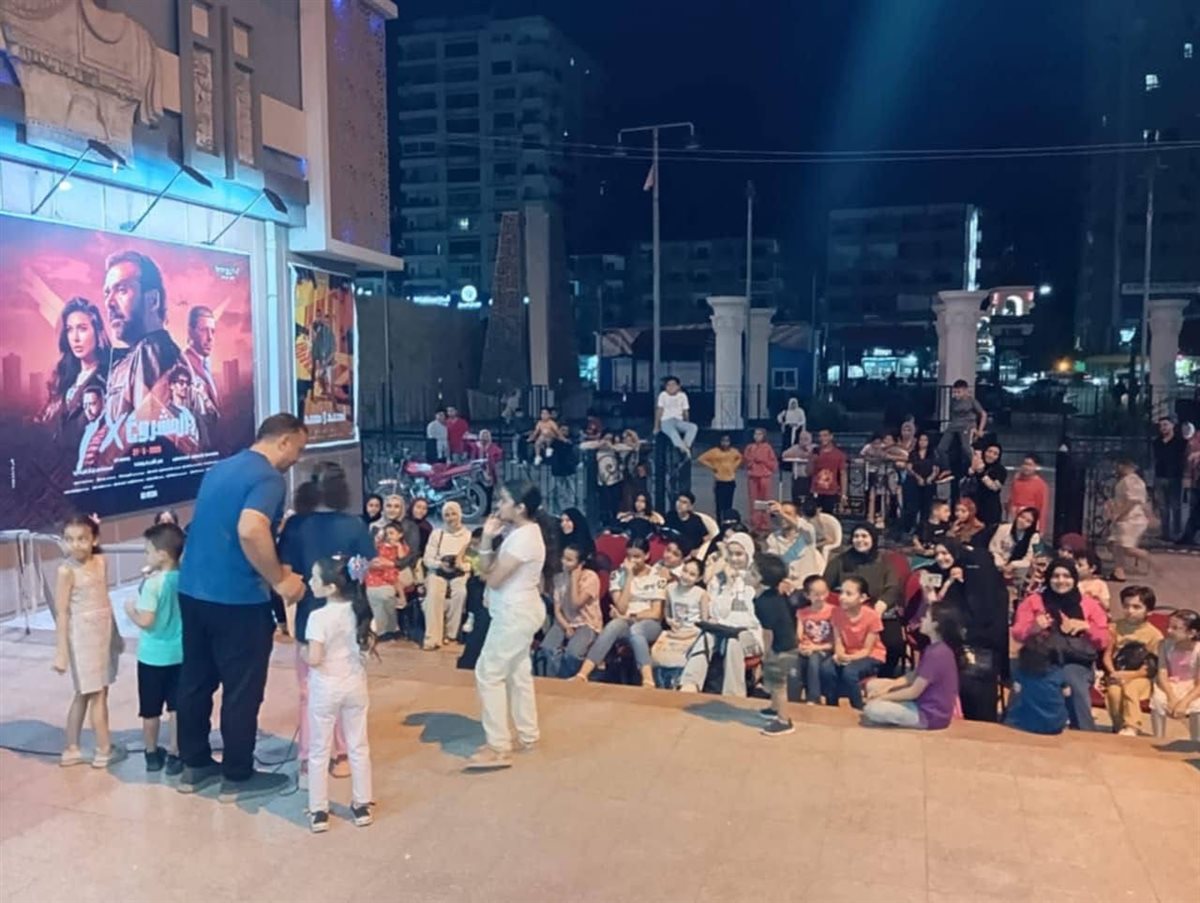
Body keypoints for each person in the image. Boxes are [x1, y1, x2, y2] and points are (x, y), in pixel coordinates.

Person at [176, 413, 308, 800]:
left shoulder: (219, 468)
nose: (297, 459)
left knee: (196, 681)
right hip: (237, 599)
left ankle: (194, 765)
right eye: (298, 449)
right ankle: (237, 776)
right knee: (242, 688)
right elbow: (251, 529)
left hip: (193, 591)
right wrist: (279, 579)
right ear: (284, 441)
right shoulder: (268, 478)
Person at [277, 462, 375, 787]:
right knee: (347, 685)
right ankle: (344, 753)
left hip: (309, 614)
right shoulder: (354, 524)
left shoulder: (295, 526)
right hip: (348, 615)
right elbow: (364, 571)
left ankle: (309, 757)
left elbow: (285, 572)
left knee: (309, 691)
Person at [467, 481, 554, 771]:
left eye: (504, 500)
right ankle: (528, 735)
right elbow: (487, 569)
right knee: (518, 674)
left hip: (515, 614)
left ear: (520, 508)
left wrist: (487, 541)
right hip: (516, 611)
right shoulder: (519, 532)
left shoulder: (524, 538)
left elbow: (492, 578)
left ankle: (498, 746)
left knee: (488, 673)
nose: (498, 505)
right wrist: (488, 540)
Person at [302, 555, 375, 833]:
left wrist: (304, 652)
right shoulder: (361, 611)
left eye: (315, 578)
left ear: (331, 587)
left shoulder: (318, 617)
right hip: (355, 684)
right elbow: (366, 649)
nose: (310, 582)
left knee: (320, 749)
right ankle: (362, 804)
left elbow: (315, 658)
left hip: (326, 687)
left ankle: (319, 810)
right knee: (359, 745)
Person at [96, 251, 184, 461]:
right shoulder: (136, 354)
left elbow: (144, 437)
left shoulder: (150, 350)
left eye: (121, 290)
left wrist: (100, 461)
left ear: (153, 300)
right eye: (107, 293)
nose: (109, 303)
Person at [52, 514, 123, 768]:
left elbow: (105, 601)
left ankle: (72, 747)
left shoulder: (101, 562)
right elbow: (62, 613)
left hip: (102, 635)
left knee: (88, 693)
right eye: (69, 539)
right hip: (82, 639)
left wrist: (116, 637)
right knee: (96, 694)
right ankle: (103, 749)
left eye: (82, 538)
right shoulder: (66, 571)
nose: (76, 545)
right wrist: (61, 652)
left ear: (94, 539)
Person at [1012, 558, 1109, 731]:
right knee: (1028, 681)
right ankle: (1018, 728)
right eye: (1056, 576)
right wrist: (1034, 627)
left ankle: (1084, 732)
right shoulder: (1034, 601)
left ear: (1074, 579)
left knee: (1072, 681)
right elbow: (1018, 634)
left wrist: (1086, 627)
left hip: (1076, 661)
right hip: (1040, 658)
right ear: (1048, 578)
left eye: (1066, 576)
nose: (1061, 580)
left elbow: (1103, 641)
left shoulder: (1089, 605)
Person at [123, 522, 185, 773]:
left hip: (152, 657)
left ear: (162, 554)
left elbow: (147, 621)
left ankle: (151, 754)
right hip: (179, 654)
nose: (145, 556)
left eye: (148, 551)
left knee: (150, 710)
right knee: (177, 708)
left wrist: (130, 611)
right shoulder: (184, 579)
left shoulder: (153, 584)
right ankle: (175, 753)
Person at [574, 536, 666, 687]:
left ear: (647, 556)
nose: (632, 561)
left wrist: (631, 616)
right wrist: (629, 577)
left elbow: (655, 613)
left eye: (637, 557)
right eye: (629, 556)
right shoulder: (617, 575)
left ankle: (648, 680)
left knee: (637, 630)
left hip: (648, 624)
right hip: (624, 621)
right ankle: (583, 674)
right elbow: (621, 607)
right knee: (613, 626)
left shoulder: (657, 577)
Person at [680, 532, 763, 696]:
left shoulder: (755, 579)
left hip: (749, 634)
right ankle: (690, 684)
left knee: (733, 641)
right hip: (722, 631)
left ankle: (733, 694)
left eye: (739, 554)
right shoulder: (719, 579)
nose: (734, 559)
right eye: (730, 554)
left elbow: (751, 616)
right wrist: (728, 585)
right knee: (707, 636)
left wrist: (735, 585)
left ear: (749, 554)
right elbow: (718, 612)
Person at [862, 604, 964, 730]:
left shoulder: (937, 654)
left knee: (872, 709)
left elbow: (913, 691)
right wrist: (888, 687)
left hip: (928, 714)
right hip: (921, 701)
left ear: (935, 625)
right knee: (873, 685)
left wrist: (882, 697)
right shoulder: (934, 648)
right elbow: (914, 675)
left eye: (926, 617)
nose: (922, 619)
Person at [38, 297, 112, 442]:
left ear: (97, 331)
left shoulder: (110, 376)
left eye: (82, 329)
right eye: (70, 330)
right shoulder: (65, 377)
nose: (75, 338)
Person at [1103, 585, 1163, 737]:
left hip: (1140, 677)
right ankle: (1118, 726)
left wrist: (1129, 676)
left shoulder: (1154, 635)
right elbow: (1107, 655)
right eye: (1126, 606)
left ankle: (1132, 726)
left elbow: (1151, 667)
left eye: (1136, 607)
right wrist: (1113, 673)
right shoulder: (1114, 627)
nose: (1130, 610)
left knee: (1131, 689)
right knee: (1114, 693)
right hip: (1117, 673)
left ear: (1149, 611)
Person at [819, 576, 885, 709]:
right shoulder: (836, 612)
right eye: (841, 592)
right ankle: (832, 706)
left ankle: (858, 707)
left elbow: (867, 650)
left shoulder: (872, 616)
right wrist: (839, 655)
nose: (842, 597)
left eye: (848, 594)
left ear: (862, 597)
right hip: (847, 654)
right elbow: (838, 641)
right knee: (826, 668)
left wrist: (848, 658)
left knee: (849, 672)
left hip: (871, 655)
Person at [537, 544, 602, 679]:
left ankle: (572, 680)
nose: (564, 562)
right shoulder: (559, 578)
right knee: (547, 648)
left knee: (572, 654)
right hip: (564, 621)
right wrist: (566, 626)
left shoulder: (590, 578)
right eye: (563, 558)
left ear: (580, 563)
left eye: (569, 560)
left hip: (586, 623)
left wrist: (574, 579)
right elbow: (557, 609)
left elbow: (575, 604)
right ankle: (555, 681)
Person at [754, 553, 800, 737]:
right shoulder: (773, 593)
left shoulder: (764, 602)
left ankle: (783, 721)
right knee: (774, 681)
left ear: (762, 579)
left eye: (753, 572)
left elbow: (768, 632)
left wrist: (767, 653)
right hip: (787, 643)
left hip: (780, 648)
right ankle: (774, 708)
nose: (748, 574)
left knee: (779, 685)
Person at [422, 501, 472, 649]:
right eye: (447, 515)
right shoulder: (437, 534)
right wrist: (440, 565)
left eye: (453, 514)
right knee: (434, 594)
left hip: (459, 572)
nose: (451, 518)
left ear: (460, 515)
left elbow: (473, 562)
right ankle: (432, 638)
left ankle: (451, 634)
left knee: (460, 593)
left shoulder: (468, 536)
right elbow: (427, 559)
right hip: (437, 570)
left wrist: (461, 566)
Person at [652, 557, 709, 687]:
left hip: (693, 633)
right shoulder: (670, 588)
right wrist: (670, 621)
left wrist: (691, 633)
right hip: (675, 631)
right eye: (685, 571)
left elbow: (704, 622)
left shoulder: (701, 594)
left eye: (692, 574)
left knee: (682, 658)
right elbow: (667, 611)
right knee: (657, 654)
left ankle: (680, 685)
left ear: (699, 578)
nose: (686, 576)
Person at [823, 524, 900, 613]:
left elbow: (893, 587)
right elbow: (824, 586)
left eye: (864, 536)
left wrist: (883, 602)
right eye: (856, 536)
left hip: (875, 609)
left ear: (873, 539)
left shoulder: (884, 562)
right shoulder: (840, 561)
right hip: (845, 611)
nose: (860, 540)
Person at [1004, 632, 1069, 735]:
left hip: (1027, 723)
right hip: (1055, 725)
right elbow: (1067, 693)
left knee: (1016, 705)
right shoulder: (1058, 673)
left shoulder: (1021, 673)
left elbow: (1016, 690)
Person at [1151, 610, 1200, 742]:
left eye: (1175, 628)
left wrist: (1184, 702)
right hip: (1169, 684)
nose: (1169, 630)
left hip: (1193, 687)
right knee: (1158, 700)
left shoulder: (1198, 650)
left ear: (1192, 633)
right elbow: (1162, 673)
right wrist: (1171, 697)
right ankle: (1158, 737)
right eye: (1168, 626)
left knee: (1197, 706)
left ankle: (1196, 740)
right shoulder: (1164, 645)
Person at [1106, 459, 1152, 581]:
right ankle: (1119, 571)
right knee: (1115, 544)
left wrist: (1121, 514)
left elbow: (1132, 501)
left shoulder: (1131, 480)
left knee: (1125, 546)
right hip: (1128, 518)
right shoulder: (1128, 480)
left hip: (1131, 519)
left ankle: (1146, 557)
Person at [794, 575, 836, 704]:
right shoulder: (802, 613)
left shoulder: (834, 611)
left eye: (824, 593)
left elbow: (837, 641)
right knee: (793, 664)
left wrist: (815, 648)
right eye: (816, 594)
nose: (821, 598)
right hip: (807, 648)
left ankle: (814, 697)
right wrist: (801, 646)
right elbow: (799, 635)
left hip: (826, 648)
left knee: (814, 659)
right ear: (807, 595)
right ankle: (792, 700)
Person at [366, 520, 407, 641]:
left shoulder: (401, 547)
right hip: (377, 574)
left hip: (392, 573)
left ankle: (392, 628)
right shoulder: (381, 545)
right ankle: (382, 631)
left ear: (400, 534)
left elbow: (402, 557)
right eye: (387, 533)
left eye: (392, 533)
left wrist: (398, 545)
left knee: (389, 600)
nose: (389, 536)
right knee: (379, 603)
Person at [764, 500, 821, 587]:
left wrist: (782, 513)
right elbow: (773, 563)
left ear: (797, 517)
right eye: (779, 514)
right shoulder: (773, 538)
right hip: (786, 585)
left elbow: (803, 526)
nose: (783, 517)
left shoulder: (807, 533)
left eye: (788, 514)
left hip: (808, 585)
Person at [936, 379, 987, 473]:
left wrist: (980, 430)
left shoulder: (971, 400)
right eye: (955, 392)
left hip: (967, 425)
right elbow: (952, 414)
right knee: (941, 448)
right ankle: (946, 469)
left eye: (958, 392)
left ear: (965, 391)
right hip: (954, 425)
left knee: (966, 447)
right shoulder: (953, 401)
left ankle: (977, 466)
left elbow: (983, 414)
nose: (956, 394)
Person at [1152, 414, 1187, 541]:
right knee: (1163, 507)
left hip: (1175, 477)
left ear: (1172, 425)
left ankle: (1177, 532)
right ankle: (1165, 533)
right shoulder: (1157, 442)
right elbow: (1157, 458)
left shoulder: (1180, 442)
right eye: (1161, 425)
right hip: (1160, 476)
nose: (1163, 428)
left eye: (1165, 425)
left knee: (1175, 506)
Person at [182, 305, 220, 418]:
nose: (210, 337)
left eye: (212, 331)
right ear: (190, 332)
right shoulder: (184, 365)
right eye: (204, 330)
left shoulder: (206, 365)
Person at [988, 507, 1040, 584]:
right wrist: (1002, 564)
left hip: (1019, 569)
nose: (1023, 521)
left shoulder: (1034, 536)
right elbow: (993, 549)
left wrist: (1013, 565)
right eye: (1022, 517)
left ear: (1032, 524)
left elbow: (1030, 558)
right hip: (999, 565)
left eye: (1028, 521)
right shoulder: (1003, 528)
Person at [697, 434, 743, 519]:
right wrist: (712, 467)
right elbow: (701, 458)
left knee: (728, 504)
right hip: (720, 481)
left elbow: (740, 458)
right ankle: (719, 521)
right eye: (723, 441)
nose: (725, 443)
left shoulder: (733, 451)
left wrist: (734, 466)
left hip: (730, 481)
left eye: (727, 441)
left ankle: (727, 520)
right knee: (719, 504)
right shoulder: (715, 451)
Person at [744, 428, 780, 533]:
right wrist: (752, 461)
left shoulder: (768, 447)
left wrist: (762, 460)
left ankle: (765, 523)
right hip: (753, 476)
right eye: (755, 434)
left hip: (765, 476)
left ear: (764, 436)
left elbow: (773, 464)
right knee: (754, 500)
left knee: (765, 500)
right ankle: (755, 522)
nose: (757, 436)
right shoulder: (750, 447)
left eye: (759, 434)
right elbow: (746, 460)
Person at [903, 432, 939, 534]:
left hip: (928, 483)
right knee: (912, 507)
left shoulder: (933, 454)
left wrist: (930, 478)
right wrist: (918, 477)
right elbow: (909, 468)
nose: (922, 442)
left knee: (926, 508)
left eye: (925, 440)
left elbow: (935, 469)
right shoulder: (913, 453)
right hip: (914, 482)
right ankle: (909, 529)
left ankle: (923, 530)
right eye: (921, 440)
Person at [966, 442, 1007, 528]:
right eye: (989, 451)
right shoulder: (975, 464)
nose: (991, 455)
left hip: (990, 509)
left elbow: (995, 487)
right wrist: (972, 469)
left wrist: (982, 473)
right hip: (973, 505)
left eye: (995, 454)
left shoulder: (1000, 470)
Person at [655, 375, 697, 456]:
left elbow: (685, 411)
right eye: (668, 385)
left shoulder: (682, 396)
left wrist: (686, 422)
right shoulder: (663, 395)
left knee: (693, 427)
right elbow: (659, 411)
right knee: (673, 432)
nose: (671, 387)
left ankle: (685, 446)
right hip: (666, 421)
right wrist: (656, 426)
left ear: (678, 386)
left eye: (673, 385)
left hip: (678, 421)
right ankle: (682, 448)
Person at [664, 491, 715, 557]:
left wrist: (699, 550)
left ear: (690, 507)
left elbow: (707, 539)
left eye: (684, 502)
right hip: (673, 553)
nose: (680, 504)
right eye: (679, 500)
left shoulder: (696, 520)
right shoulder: (671, 516)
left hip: (692, 554)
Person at [810, 428, 848, 513]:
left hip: (831, 491)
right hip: (816, 490)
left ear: (831, 437)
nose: (822, 438)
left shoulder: (839, 454)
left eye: (825, 435)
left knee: (828, 515)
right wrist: (811, 460)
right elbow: (808, 472)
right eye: (820, 436)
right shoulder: (815, 452)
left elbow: (843, 474)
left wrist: (844, 494)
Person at [468, 428, 504, 514]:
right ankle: (479, 510)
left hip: (489, 472)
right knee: (479, 491)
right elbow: (472, 457)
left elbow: (498, 455)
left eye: (486, 435)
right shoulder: (475, 446)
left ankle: (487, 511)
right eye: (483, 435)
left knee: (488, 492)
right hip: (477, 472)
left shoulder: (493, 447)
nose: (484, 437)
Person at [1008, 454, 1049, 523]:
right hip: (1013, 517)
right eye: (1024, 464)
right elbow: (1011, 501)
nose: (1026, 467)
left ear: (1036, 467)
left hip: (1029, 519)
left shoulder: (1041, 485)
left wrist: (1041, 526)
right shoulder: (1016, 481)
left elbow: (1042, 508)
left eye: (1029, 465)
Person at [1177, 421, 1200, 546]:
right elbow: (1188, 464)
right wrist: (1188, 478)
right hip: (1197, 481)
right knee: (1195, 511)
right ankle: (1188, 536)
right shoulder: (1189, 443)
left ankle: (1189, 536)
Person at [548, 424, 579, 514]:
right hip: (558, 468)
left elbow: (571, 446)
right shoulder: (555, 441)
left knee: (572, 489)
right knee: (559, 490)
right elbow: (549, 449)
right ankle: (560, 508)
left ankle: (572, 506)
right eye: (562, 430)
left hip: (569, 468)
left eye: (566, 430)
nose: (564, 432)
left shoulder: (571, 440)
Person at [782, 429, 814, 505]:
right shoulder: (795, 448)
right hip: (797, 478)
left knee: (809, 500)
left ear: (810, 439)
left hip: (811, 478)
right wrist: (798, 454)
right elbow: (784, 455)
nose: (803, 441)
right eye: (801, 439)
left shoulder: (814, 448)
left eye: (806, 439)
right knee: (796, 500)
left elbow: (817, 456)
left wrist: (808, 452)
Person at [1075, 549, 1111, 613]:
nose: (1076, 567)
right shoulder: (1072, 583)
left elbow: (1107, 606)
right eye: (1074, 564)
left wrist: (1097, 596)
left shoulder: (1100, 584)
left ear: (1092, 568)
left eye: (1080, 565)